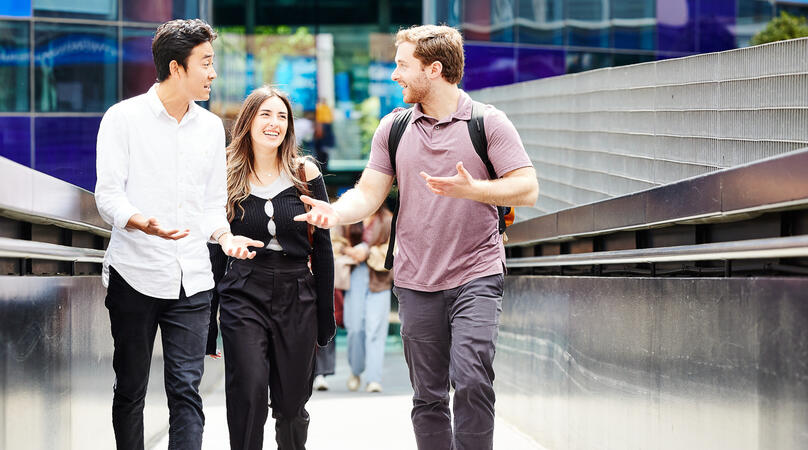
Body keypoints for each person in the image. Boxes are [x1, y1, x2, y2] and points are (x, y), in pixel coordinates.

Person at [295, 25, 539, 450]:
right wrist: (334, 212)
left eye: (402, 65)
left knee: (472, 379)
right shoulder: (394, 128)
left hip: (475, 273)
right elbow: (370, 193)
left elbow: (528, 187)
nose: (394, 75)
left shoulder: (487, 122)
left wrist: (476, 190)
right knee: (427, 396)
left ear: (435, 69)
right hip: (414, 280)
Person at [94, 19, 262, 450]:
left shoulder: (209, 128)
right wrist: (139, 220)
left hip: (193, 278)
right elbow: (107, 195)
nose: (213, 73)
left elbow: (211, 204)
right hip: (135, 272)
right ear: (176, 67)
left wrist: (224, 238)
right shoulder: (123, 119)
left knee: (187, 391)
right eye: (205, 63)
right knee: (130, 387)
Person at [216, 86, 335, 450]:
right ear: (248, 121)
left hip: (297, 290)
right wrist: (208, 324)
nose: (274, 123)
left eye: (282, 116)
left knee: (291, 403)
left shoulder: (305, 172)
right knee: (248, 391)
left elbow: (323, 246)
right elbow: (214, 250)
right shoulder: (225, 173)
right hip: (243, 290)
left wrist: (325, 318)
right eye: (265, 114)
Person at [342, 205, 393, 393]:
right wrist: (350, 251)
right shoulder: (350, 215)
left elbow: (395, 247)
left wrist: (368, 251)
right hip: (354, 273)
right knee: (354, 327)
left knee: (375, 329)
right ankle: (355, 371)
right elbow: (336, 241)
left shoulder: (387, 219)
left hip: (379, 277)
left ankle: (373, 378)